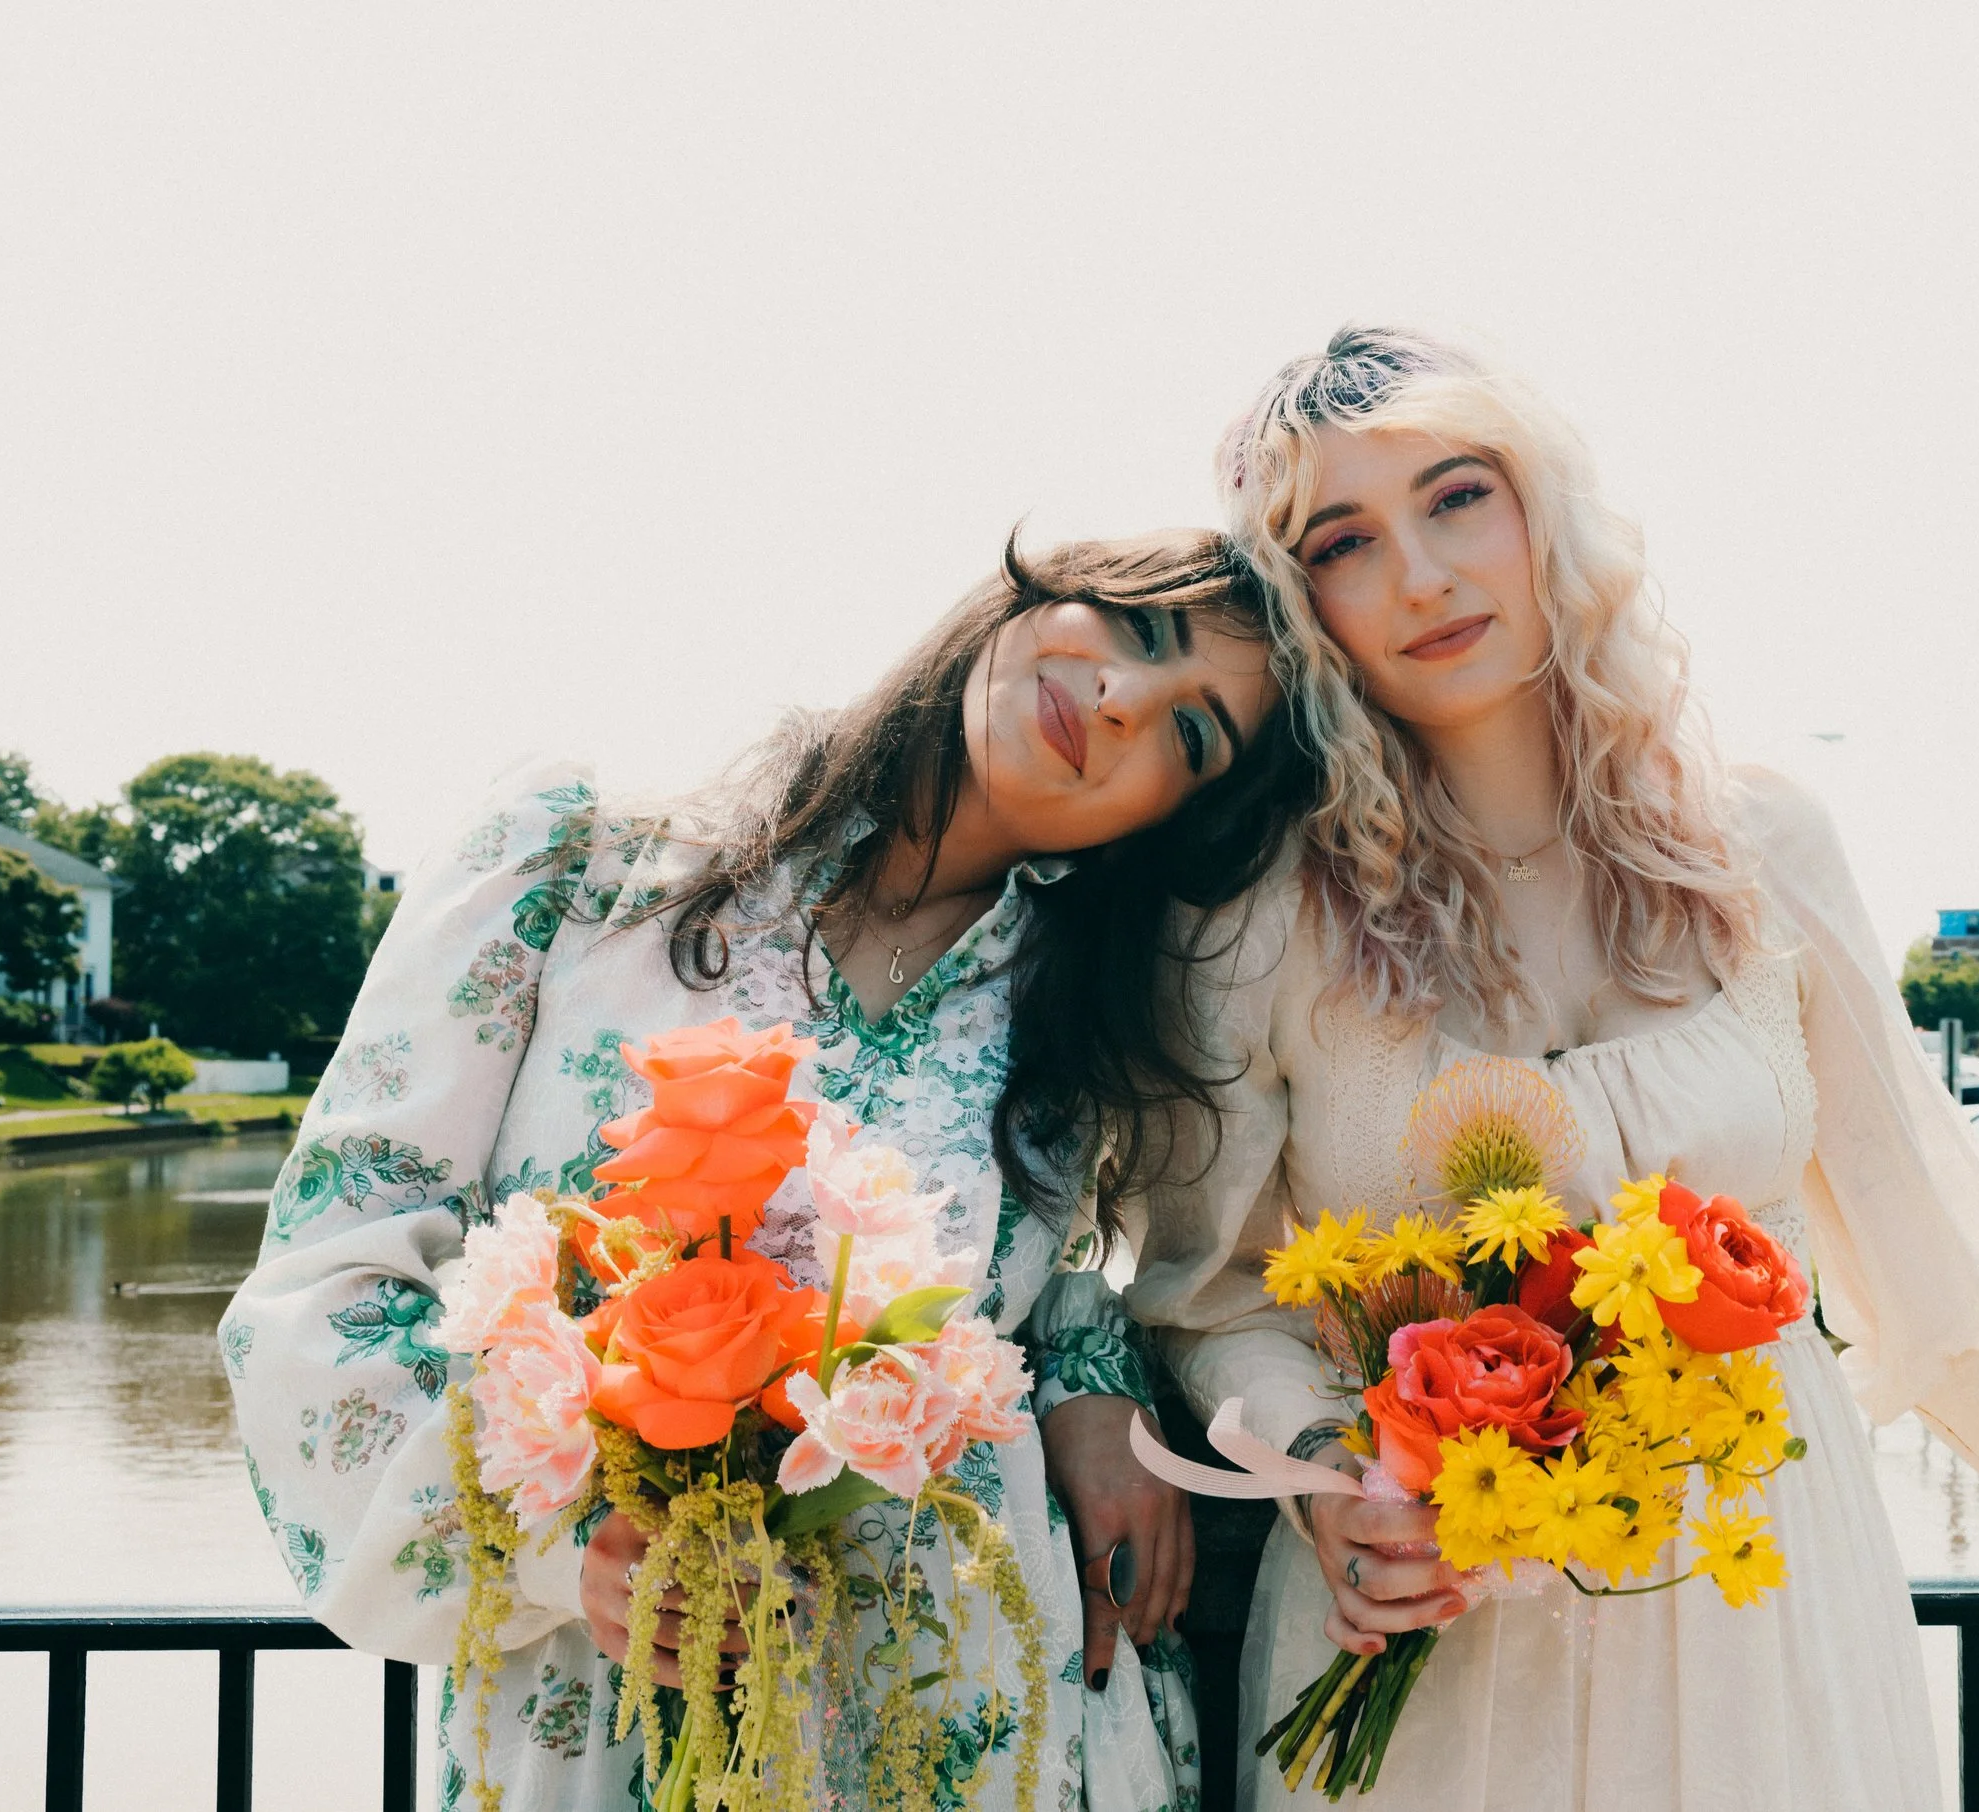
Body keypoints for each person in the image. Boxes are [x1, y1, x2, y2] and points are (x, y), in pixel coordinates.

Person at [1126, 328, 1979, 1811]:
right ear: (1300, 609)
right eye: (1344, 542)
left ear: (1543, 505)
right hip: (1432, 1643)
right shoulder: (1259, 912)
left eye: (1458, 496)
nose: (1420, 574)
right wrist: (1329, 1488)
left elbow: (1920, 1260)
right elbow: (1204, 1291)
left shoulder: (1759, 846)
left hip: (1765, 1613)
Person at [221, 530, 1316, 1811]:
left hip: (986, 1726)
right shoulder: (585, 861)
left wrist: (1086, 1381)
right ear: (1037, 594)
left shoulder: (1078, 1022)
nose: (1127, 702)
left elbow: (1051, 1260)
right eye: (1137, 631)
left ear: (1162, 821)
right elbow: (333, 1268)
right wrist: (570, 1550)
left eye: (1190, 739)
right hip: (616, 1709)